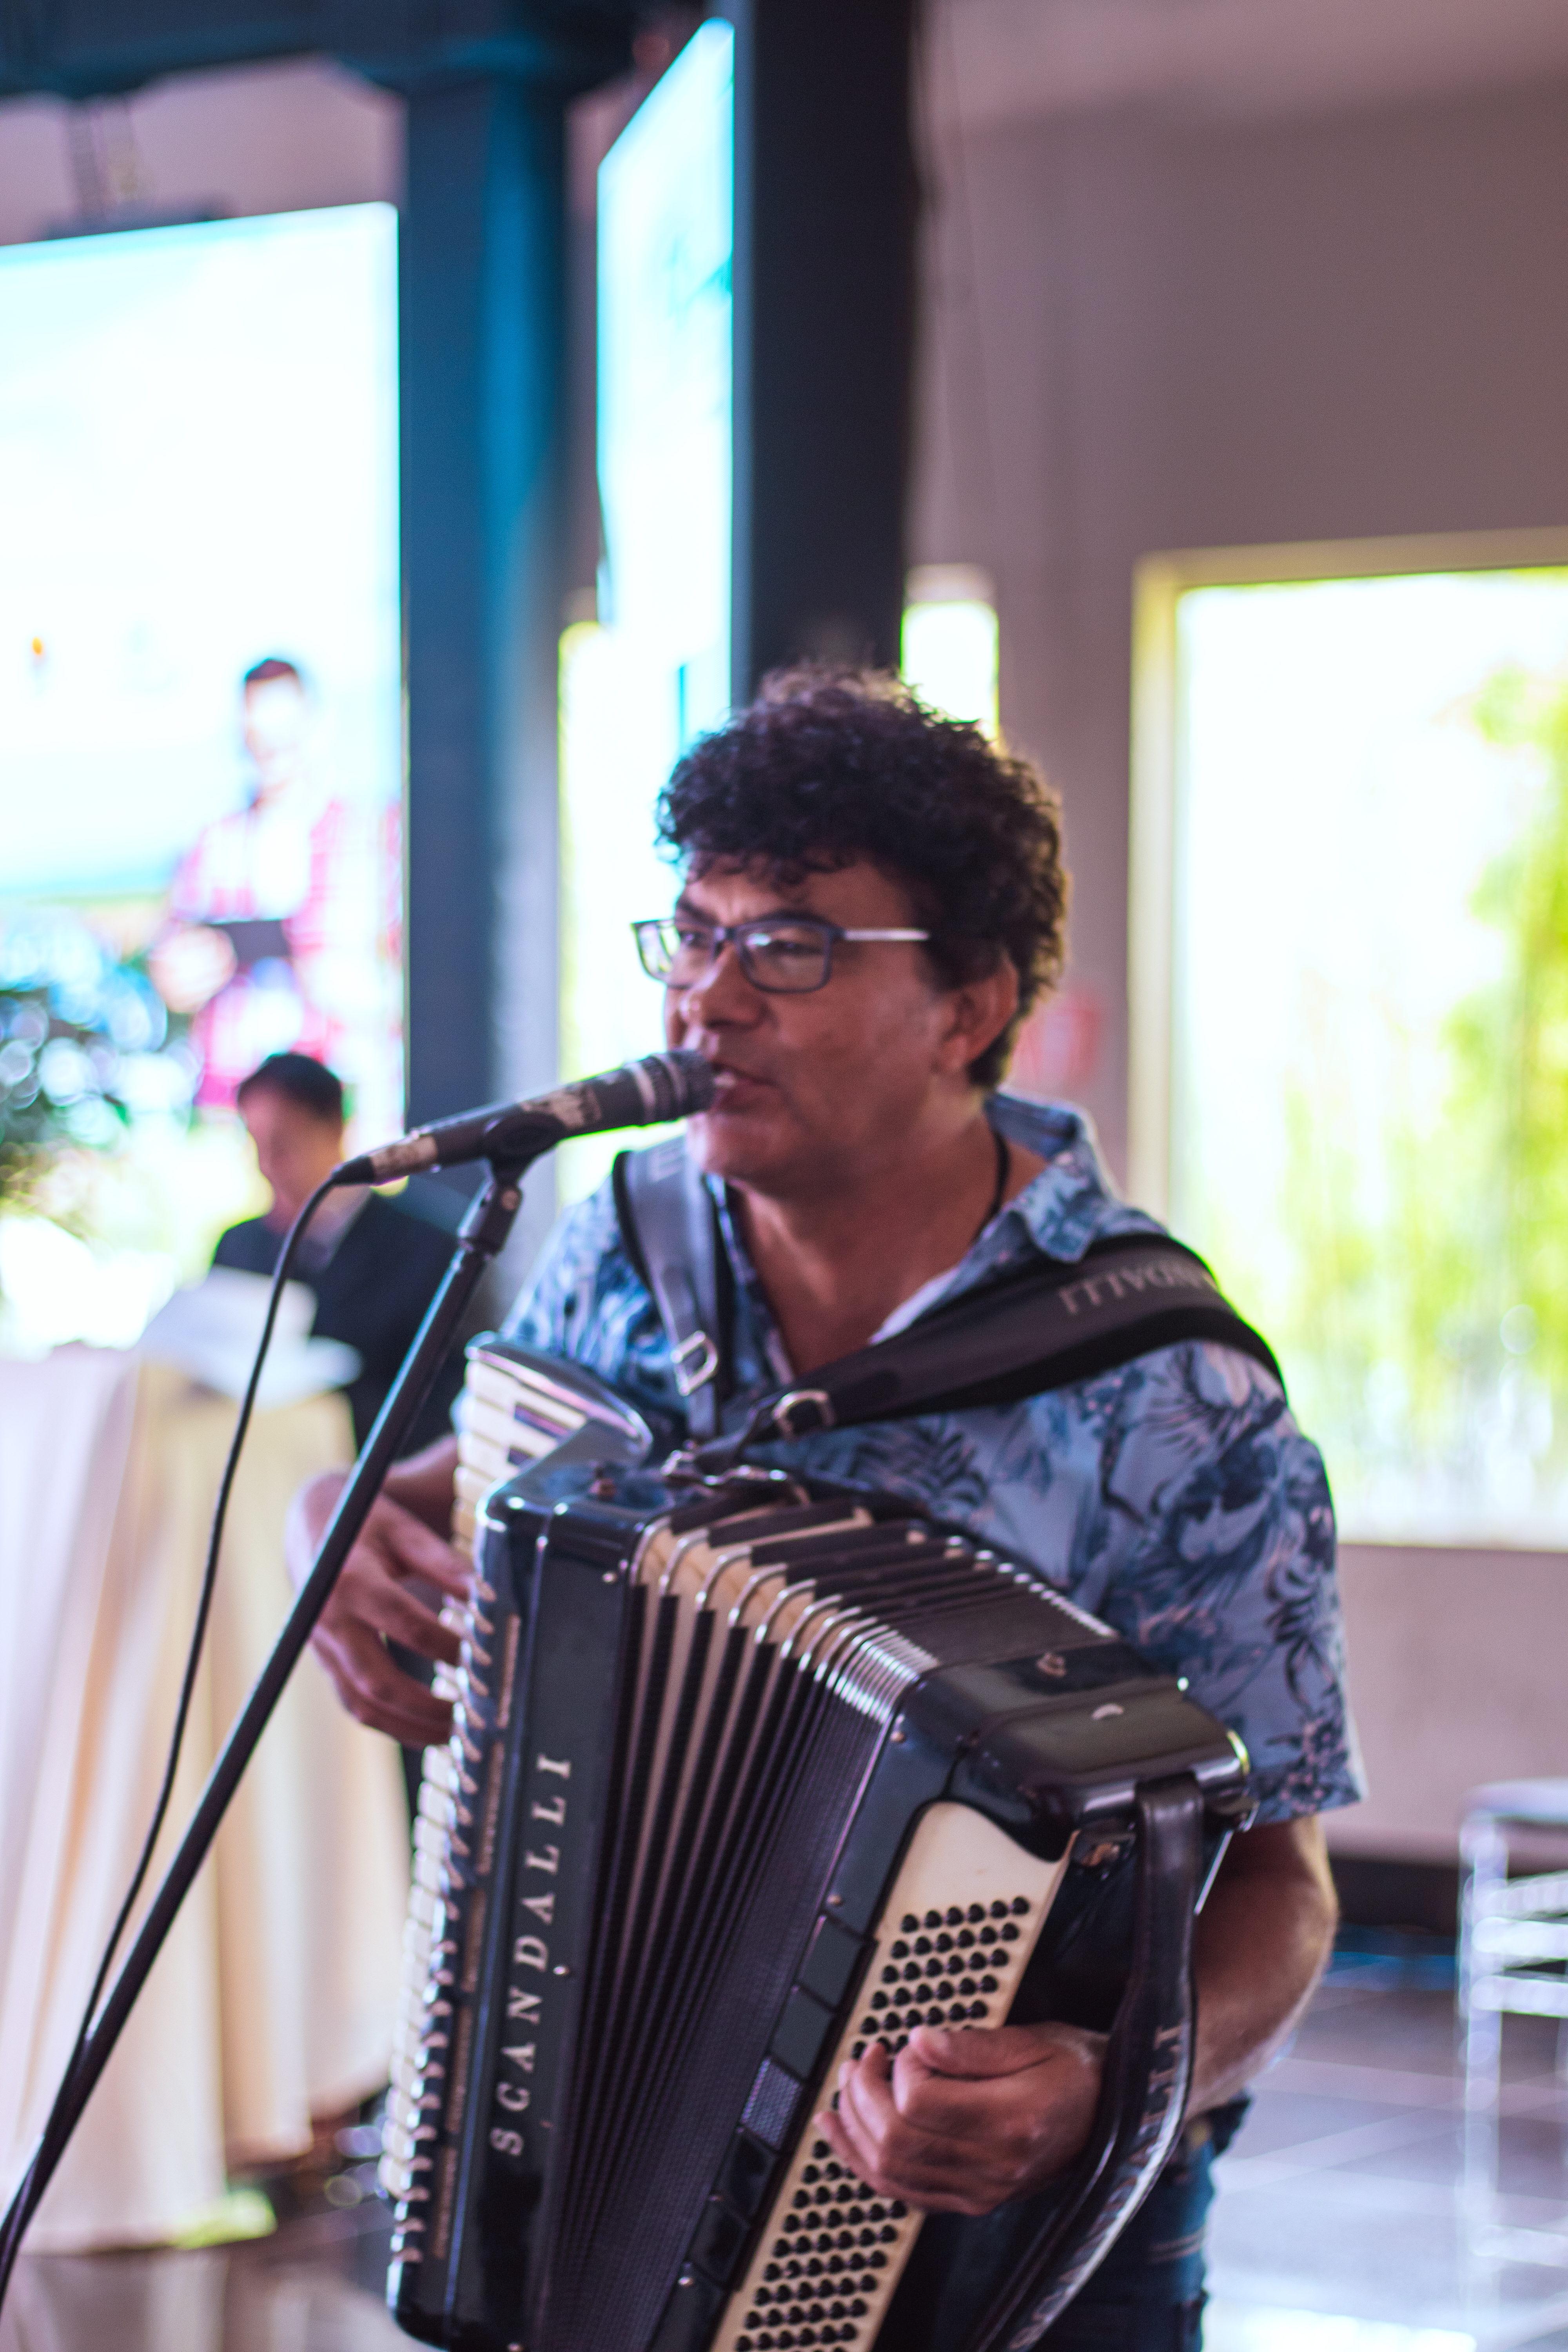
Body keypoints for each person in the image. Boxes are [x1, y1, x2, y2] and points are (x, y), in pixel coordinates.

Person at [289, 668, 1358, 2348]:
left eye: (785, 946)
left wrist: (1095, 2085)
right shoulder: (619, 1254)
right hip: (591, 2151)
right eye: (690, 934)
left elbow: (1281, 1883)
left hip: (1015, 2246)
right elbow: (466, 1490)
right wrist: (343, 1539)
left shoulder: (1170, 1395)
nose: (704, 1000)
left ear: (964, 1005)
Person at [151, 658, 394, 1115]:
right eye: (257, 741)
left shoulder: (375, 836)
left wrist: (342, 980)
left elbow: (422, 983)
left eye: (284, 737)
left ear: (317, 725)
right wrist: (185, 972)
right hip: (238, 1106)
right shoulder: (214, 842)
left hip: (344, 1104)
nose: (270, 755)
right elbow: (171, 967)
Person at [215, 1051, 466, 1461]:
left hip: (368, 1479)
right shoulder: (238, 1247)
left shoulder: (430, 1247)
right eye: (256, 1144)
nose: (268, 1165)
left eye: (284, 1144)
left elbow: (446, 1399)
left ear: (333, 1129)